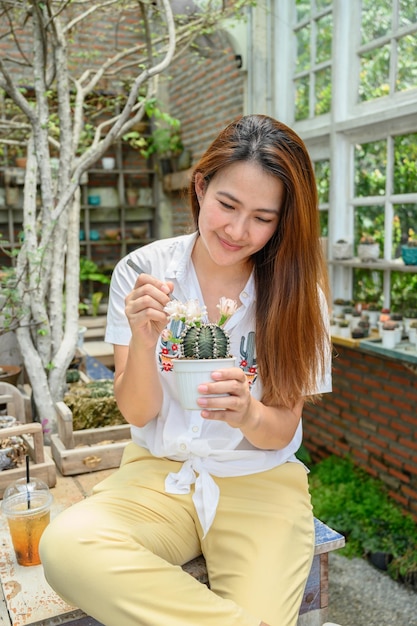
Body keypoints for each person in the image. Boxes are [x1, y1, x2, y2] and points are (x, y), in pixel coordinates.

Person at [40, 114, 332, 626]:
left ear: (283, 221)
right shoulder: (142, 272)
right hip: (159, 475)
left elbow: (282, 427)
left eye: (263, 218)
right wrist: (143, 335)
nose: (238, 231)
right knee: (67, 547)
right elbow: (138, 410)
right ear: (201, 187)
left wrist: (247, 414)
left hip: (260, 480)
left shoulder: (300, 298)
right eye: (227, 205)